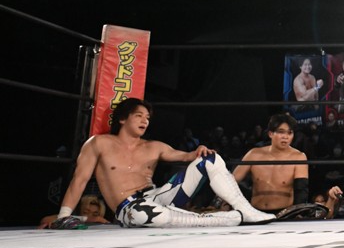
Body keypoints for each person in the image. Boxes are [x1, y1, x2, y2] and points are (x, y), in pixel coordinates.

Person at [48, 98, 276, 229]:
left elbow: (185, 156)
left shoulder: (154, 146)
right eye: (139, 116)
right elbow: (80, 179)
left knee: (210, 158)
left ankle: (245, 211)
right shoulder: (99, 143)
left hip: (158, 196)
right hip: (128, 208)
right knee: (146, 214)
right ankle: (226, 219)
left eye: (147, 118)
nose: (145, 121)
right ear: (122, 118)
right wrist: (63, 216)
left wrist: (198, 151)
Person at [232, 112, 310, 212]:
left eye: (289, 133)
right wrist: (221, 203)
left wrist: (298, 213)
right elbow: (231, 182)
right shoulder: (254, 154)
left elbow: (301, 191)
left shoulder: (298, 157)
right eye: (281, 132)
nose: (285, 137)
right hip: (255, 212)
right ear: (270, 134)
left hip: (283, 214)